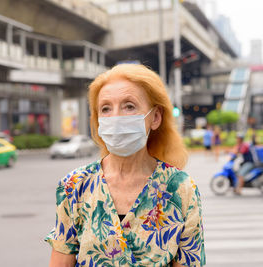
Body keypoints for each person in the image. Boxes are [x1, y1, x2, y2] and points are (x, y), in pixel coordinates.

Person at [45, 64, 205, 266]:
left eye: (129, 106)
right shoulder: (75, 185)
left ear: (155, 117)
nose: (116, 117)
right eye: (106, 109)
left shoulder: (180, 189)